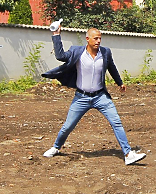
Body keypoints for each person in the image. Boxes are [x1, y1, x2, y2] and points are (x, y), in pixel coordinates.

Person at [40, 23, 146, 166]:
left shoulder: (105, 52)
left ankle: (128, 154)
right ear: (87, 39)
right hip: (81, 97)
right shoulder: (77, 52)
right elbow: (60, 56)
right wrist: (56, 34)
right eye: (95, 38)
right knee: (68, 126)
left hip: (100, 96)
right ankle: (56, 147)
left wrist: (119, 82)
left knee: (116, 122)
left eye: (100, 38)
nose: (98, 41)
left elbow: (112, 68)